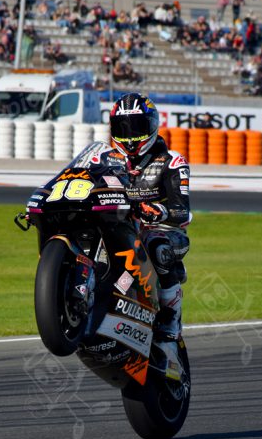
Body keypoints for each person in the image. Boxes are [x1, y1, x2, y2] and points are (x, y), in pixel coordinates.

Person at [77, 93, 191, 351]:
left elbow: (182, 211)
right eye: (122, 128)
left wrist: (159, 211)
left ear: (151, 126)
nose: (129, 137)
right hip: (117, 226)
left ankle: (171, 322)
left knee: (157, 246)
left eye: (136, 128)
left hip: (165, 232)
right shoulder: (102, 159)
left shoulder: (172, 161)